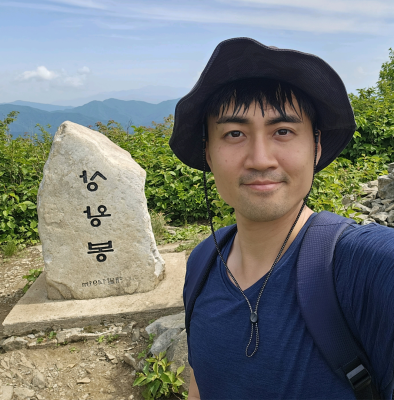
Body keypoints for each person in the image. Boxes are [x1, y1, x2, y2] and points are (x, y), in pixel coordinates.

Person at [169, 38, 394, 400]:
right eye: (234, 134)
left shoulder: (365, 265)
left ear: (316, 147)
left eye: (283, 132)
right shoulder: (202, 262)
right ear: (208, 153)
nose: (260, 159)